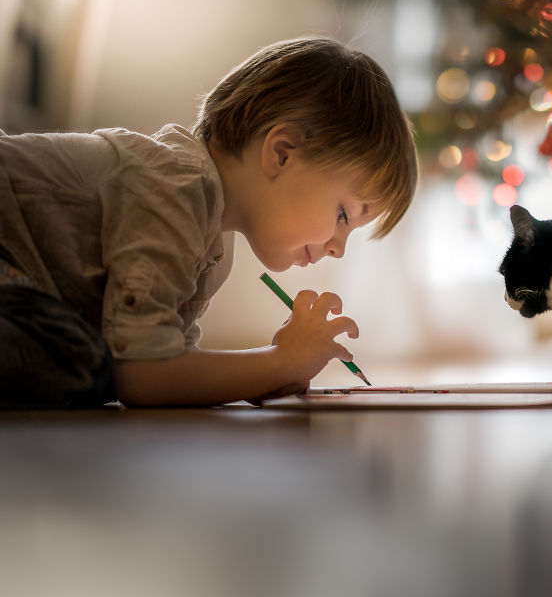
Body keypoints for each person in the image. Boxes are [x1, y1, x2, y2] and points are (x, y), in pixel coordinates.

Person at [0, 37, 418, 408]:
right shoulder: (173, 189)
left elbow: (170, 361)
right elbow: (143, 375)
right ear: (282, 153)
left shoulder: (214, 247)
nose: (337, 248)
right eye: (343, 215)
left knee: (85, 362)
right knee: (85, 366)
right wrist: (279, 362)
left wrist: (268, 373)